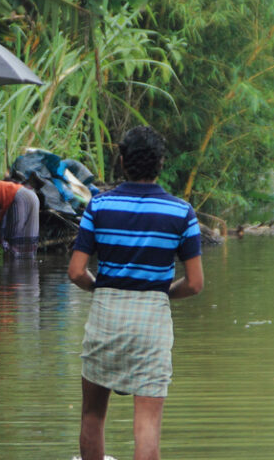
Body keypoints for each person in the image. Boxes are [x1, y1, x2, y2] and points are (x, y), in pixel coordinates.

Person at [67, 126, 204, 460]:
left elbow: (75, 271)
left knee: (92, 415)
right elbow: (195, 283)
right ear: (160, 163)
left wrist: (102, 288)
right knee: (146, 426)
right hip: (152, 320)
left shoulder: (99, 206)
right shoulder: (181, 212)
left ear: (123, 161)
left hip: (106, 314)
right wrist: (162, 293)